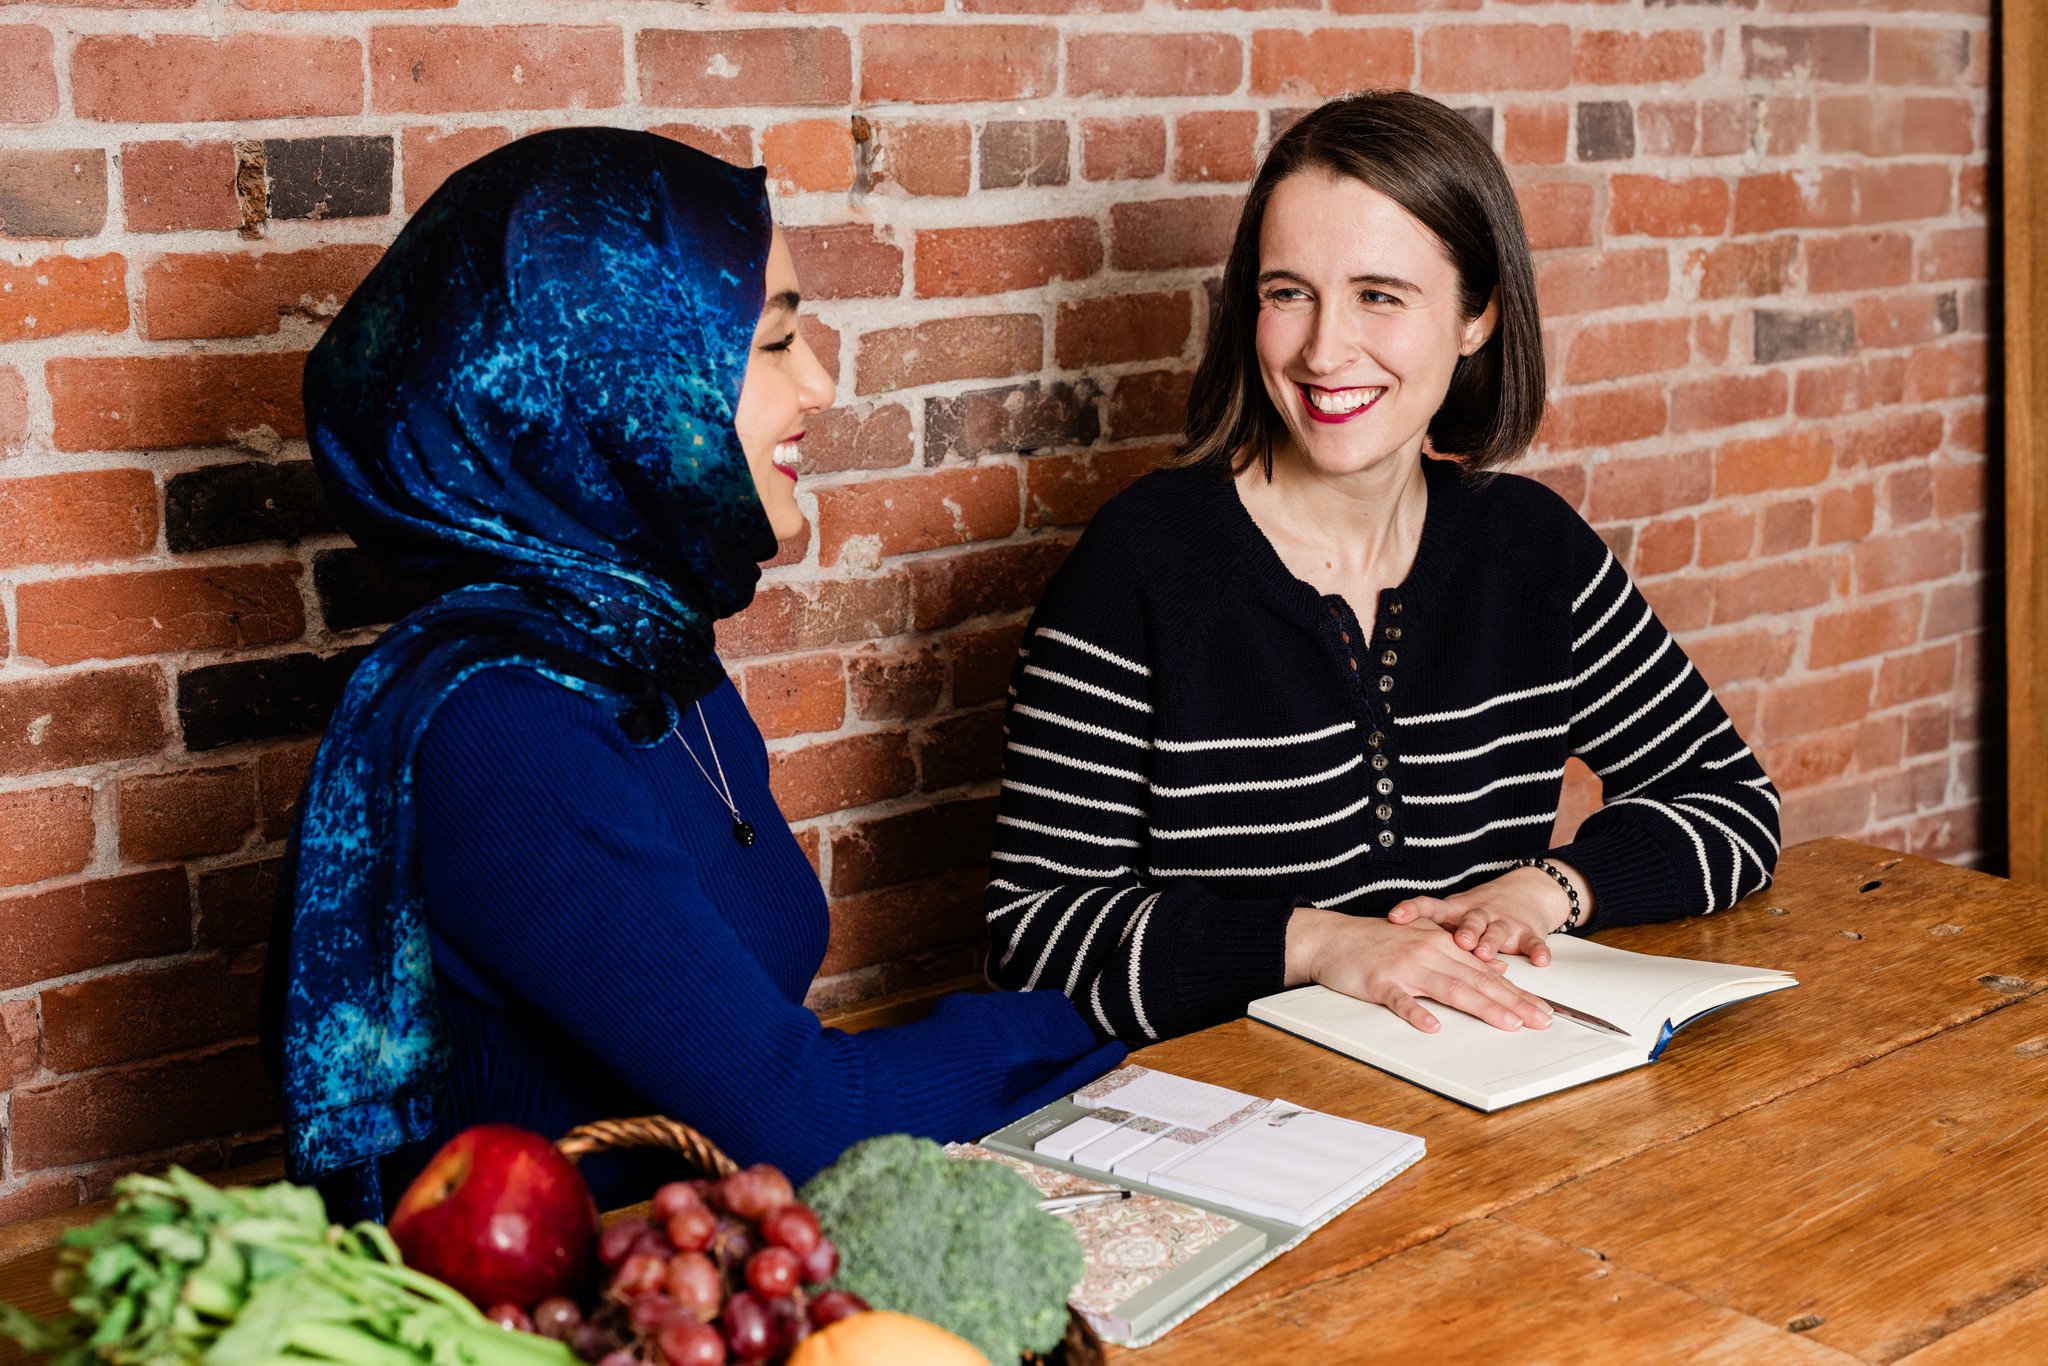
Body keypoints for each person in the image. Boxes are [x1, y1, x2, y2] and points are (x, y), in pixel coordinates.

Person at [262, 128, 1123, 1219]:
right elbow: (804, 1115)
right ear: (622, 381)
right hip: (558, 1313)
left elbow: (761, 1085)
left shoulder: (655, 652)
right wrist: (1096, 1012)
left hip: (701, 1256)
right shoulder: (502, 724)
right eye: (772, 343)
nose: (817, 382)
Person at [986, 92, 1781, 1047]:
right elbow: (1031, 941)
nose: (1324, 350)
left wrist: (1548, 889)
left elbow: (1732, 802)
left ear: (1477, 316)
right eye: (1288, 293)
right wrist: (1322, 946)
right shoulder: (1139, 569)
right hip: (1246, 1122)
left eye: (1379, 295)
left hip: (1493, 1089)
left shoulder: (1533, 551)